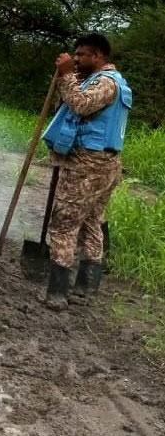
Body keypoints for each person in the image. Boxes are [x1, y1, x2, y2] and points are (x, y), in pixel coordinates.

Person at [40, 32, 133, 310]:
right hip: (103, 164)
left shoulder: (106, 83)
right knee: (92, 222)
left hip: (87, 166)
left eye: (82, 54)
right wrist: (65, 78)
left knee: (64, 223)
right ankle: (84, 288)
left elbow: (80, 105)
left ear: (99, 56)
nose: (77, 58)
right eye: (75, 54)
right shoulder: (100, 81)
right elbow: (71, 100)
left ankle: (57, 293)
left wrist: (67, 75)